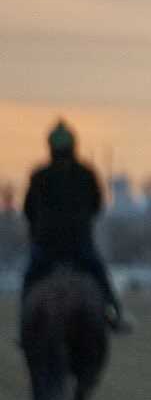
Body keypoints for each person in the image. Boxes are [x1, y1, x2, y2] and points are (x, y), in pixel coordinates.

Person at [21, 120, 131, 333]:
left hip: (46, 246)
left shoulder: (39, 176)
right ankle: (114, 315)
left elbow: (28, 211)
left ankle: (23, 327)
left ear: (50, 147)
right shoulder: (85, 174)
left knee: (30, 280)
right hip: (79, 243)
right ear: (73, 145)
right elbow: (97, 205)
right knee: (99, 275)